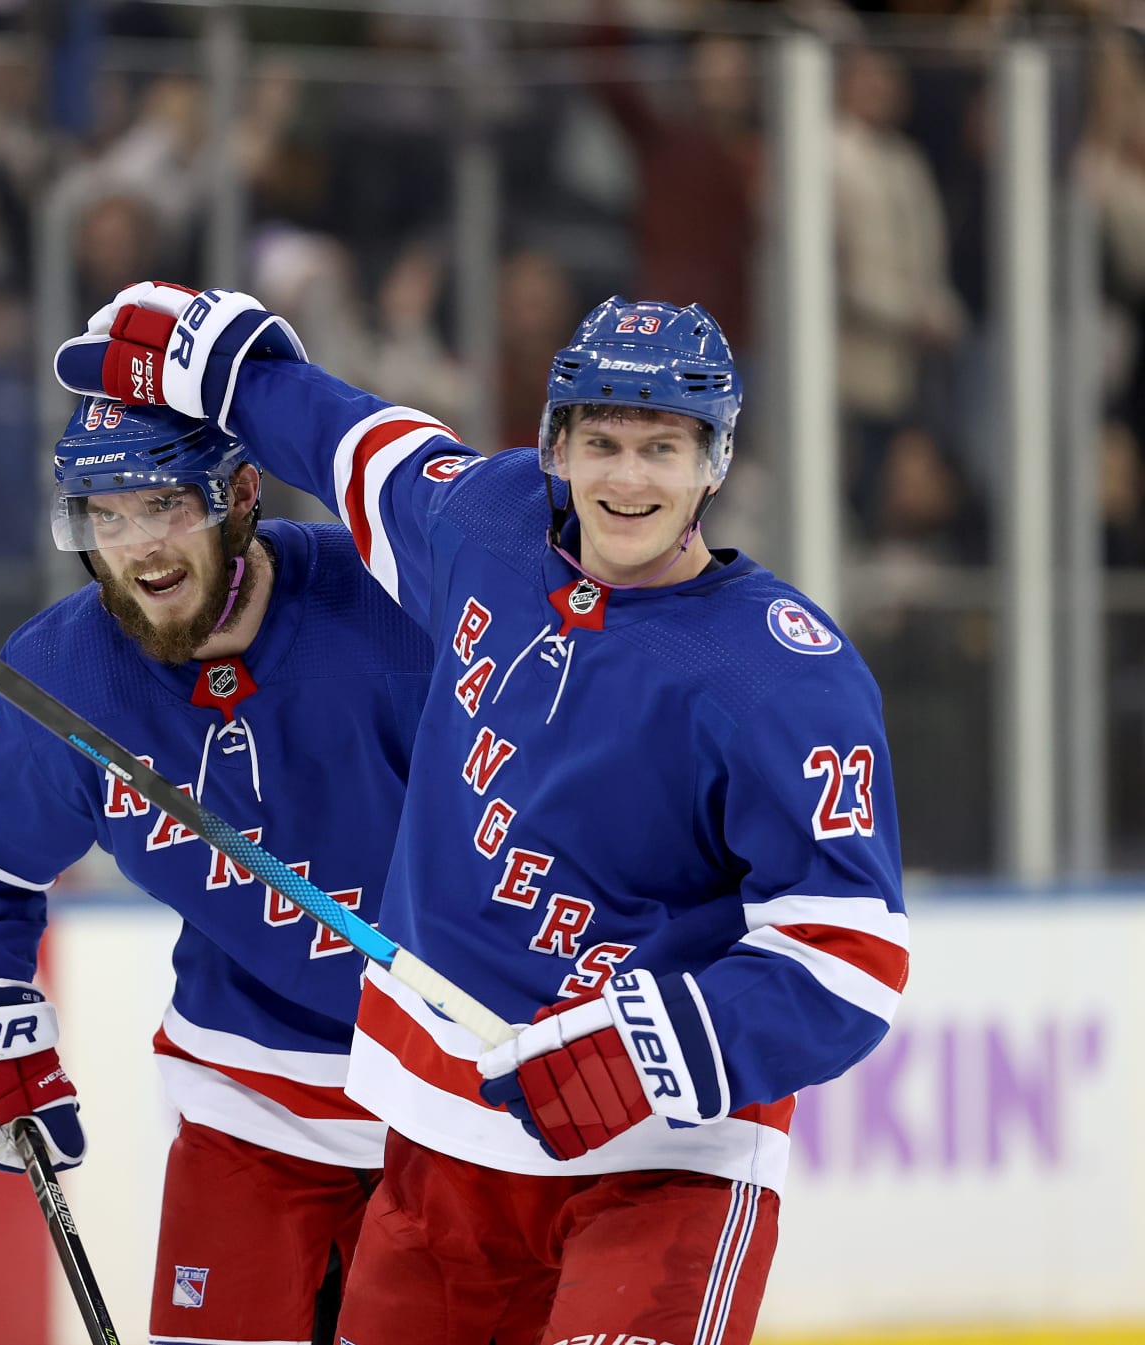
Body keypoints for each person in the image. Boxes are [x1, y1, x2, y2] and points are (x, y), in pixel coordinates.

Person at [55, 284, 908, 1345]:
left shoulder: (782, 674)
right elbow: (351, 444)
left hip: (660, 1165)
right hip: (439, 1142)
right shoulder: (485, 527)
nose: (629, 477)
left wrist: (645, 1049)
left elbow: (849, 959)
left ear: (716, 461)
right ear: (555, 445)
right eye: (602, 440)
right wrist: (224, 367)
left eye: (663, 446)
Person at [0, 397, 434, 1345]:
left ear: (238, 494)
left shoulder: (399, 610)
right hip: (251, 1099)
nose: (137, 545)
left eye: (164, 505)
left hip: (455, 1101)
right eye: (105, 514)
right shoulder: (71, 675)